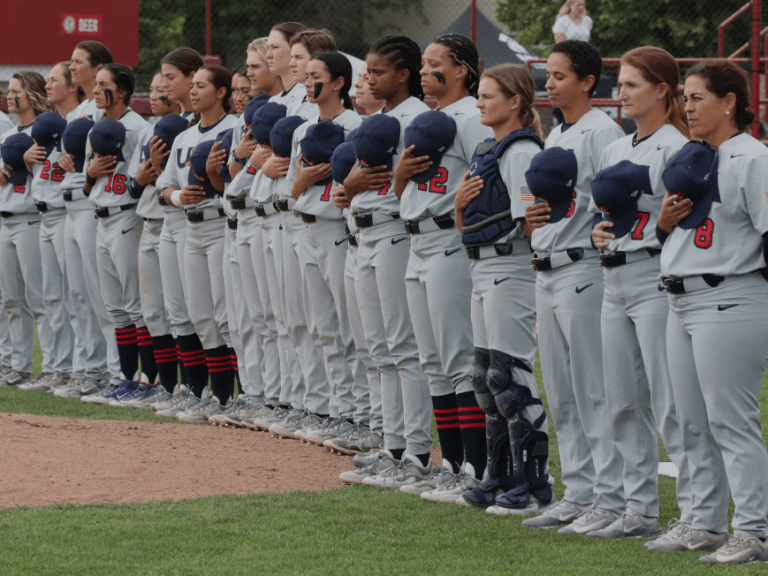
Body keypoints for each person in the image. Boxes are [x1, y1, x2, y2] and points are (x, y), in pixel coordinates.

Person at [656, 59, 768, 565]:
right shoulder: (697, 155)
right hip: (681, 296)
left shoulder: (751, 157)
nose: (687, 105)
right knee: (689, 420)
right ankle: (703, 521)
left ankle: (753, 529)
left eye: (698, 96)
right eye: (685, 95)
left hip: (731, 295)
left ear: (730, 102)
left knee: (731, 421)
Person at [587, 46, 693, 541]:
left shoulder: (677, 146)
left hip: (655, 276)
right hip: (614, 279)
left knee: (669, 403)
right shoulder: (617, 148)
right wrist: (598, 233)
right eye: (621, 83)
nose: (621, 93)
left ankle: (694, 514)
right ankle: (638, 509)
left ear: (661, 90)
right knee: (622, 401)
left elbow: (686, 222)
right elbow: (602, 215)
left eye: (631, 85)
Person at [521, 40, 625, 533]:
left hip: (583, 266)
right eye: (549, 73)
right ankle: (578, 491)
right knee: (560, 392)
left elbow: (613, 202)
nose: (550, 82)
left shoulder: (603, 132)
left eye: (560, 75)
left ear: (588, 81)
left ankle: (610, 495)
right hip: (548, 265)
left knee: (592, 388)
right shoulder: (560, 130)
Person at [451, 63, 555, 515]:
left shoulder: (520, 151)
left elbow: (530, 226)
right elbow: (467, 225)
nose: (479, 103)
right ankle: (499, 474)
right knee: (484, 380)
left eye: (488, 96)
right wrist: (458, 208)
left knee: (509, 378)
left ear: (516, 101)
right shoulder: (487, 148)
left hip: (511, 269)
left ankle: (534, 483)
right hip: (482, 268)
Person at [396, 34, 492, 501]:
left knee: (457, 360)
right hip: (417, 241)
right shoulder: (428, 118)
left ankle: (476, 465)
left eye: (435, 63)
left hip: (451, 241)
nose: (424, 70)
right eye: (423, 63)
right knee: (433, 362)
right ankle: (451, 463)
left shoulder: (473, 115)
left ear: (462, 69)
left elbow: (490, 174)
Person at [338, 35, 432, 487]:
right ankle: (391, 444)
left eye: (378, 71)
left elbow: (411, 189)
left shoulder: (418, 120)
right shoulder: (379, 118)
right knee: (379, 347)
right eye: (368, 71)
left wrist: (360, 188)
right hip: (363, 231)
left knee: (402, 347)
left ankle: (414, 451)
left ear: (403, 75)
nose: (370, 78)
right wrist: (351, 189)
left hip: (395, 231)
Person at [285, 50, 364, 441]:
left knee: (348, 327)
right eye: (306, 75)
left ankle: (360, 415)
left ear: (339, 83)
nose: (307, 81)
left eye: (316, 75)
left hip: (338, 231)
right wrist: (300, 183)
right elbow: (290, 186)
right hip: (305, 228)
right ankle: (339, 408)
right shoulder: (301, 129)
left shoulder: (356, 126)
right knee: (321, 327)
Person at [157, 65, 239, 415]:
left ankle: (236, 397)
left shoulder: (234, 128)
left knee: (225, 315)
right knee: (199, 315)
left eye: (201, 86)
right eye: (192, 86)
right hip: (190, 227)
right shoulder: (184, 137)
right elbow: (164, 187)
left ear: (221, 92)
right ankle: (206, 394)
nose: (193, 92)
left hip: (221, 224)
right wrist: (178, 197)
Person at [82, 64, 149, 403]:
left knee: (136, 306)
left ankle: (149, 382)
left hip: (127, 217)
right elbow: (86, 185)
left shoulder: (139, 128)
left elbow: (141, 182)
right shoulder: (96, 125)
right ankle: (126, 378)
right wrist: (91, 173)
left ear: (121, 92)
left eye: (103, 85)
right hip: (101, 217)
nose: (95, 90)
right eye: (95, 84)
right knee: (115, 308)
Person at [121, 72, 186, 409]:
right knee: (152, 310)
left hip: (178, 222)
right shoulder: (150, 130)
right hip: (150, 220)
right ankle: (160, 383)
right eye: (157, 85)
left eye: (167, 84)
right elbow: (135, 185)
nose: (159, 90)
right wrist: (148, 174)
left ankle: (188, 388)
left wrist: (161, 170)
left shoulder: (189, 127)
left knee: (182, 311)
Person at [0, 72, 54, 388]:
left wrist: (25, 161)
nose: (9, 94)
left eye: (16, 90)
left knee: (39, 298)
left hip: (32, 218)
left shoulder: (43, 132)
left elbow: (47, 174)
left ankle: (51, 367)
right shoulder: (9, 135)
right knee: (10, 299)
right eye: (9, 89)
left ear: (32, 94)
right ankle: (15, 365)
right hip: (6, 218)